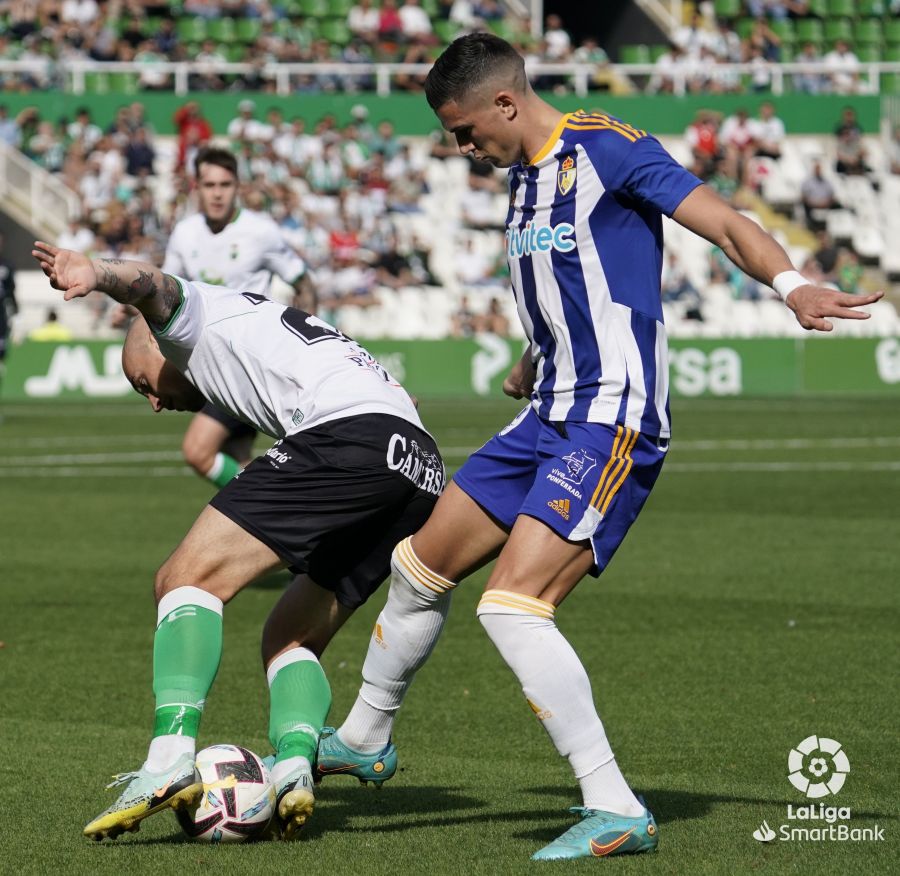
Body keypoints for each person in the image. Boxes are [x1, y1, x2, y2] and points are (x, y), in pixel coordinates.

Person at [316, 33, 883, 862]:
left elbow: (722, 218)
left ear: (506, 103)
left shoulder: (607, 149)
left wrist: (792, 285)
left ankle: (616, 806)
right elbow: (562, 290)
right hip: (547, 411)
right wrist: (528, 361)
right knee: (418, 563)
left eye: (466, 131)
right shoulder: (519, 179)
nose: (461, 149)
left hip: (611, 418)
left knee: (513, 606)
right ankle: (367, 736)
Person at [32, 240, 443, 842]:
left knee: (183, 580)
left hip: (348, 438)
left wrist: (96, 272)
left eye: (142, 381)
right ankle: (295, 769)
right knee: (290, 636)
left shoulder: (188, 323)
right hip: (418, 466)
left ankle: (167, 760)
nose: (153, 402)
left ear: (157, 345)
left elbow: (152, 287)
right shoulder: (258, 328)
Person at [164, 146, 315, 489]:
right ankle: (274, 512)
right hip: (206, 365)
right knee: (240, 457)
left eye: (225, 184)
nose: (217, 193)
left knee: (198, 451)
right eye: (209, 185)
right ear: (196, 188)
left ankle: (271, 507)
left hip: (246, 363)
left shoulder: (260, 232)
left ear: (238, 187)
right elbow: (168, 289)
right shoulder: (185, 233)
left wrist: (304, 339)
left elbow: (303, 282)